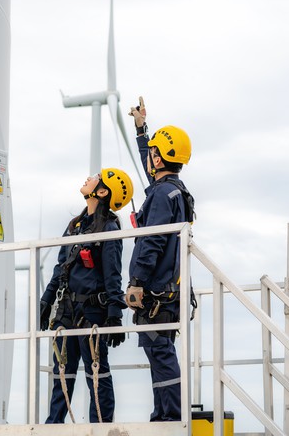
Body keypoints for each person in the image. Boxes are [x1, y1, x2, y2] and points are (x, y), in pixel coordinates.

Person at [39, 168, 133, 423]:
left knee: (97, 376)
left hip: (92, 313)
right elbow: (61, 268)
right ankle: (53, 427)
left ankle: (100, 427)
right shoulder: (75, 227)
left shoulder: (110, 228)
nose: (88, 178)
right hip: (66, 311)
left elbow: (113, 274)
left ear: (102, 192)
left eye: (94, 177)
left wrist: (115, 315)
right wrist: (46, 302)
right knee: (62, 376)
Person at [125, 96, 195, 422]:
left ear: (160, 157)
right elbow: (151, 164)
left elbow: (152, 241)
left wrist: (137, 281)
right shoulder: (174, 191)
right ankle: (163, 416)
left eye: (152, 150)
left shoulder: (159, 195)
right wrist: (142, 131)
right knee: (160, 352)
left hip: (155, 291)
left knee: (160, 353)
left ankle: (171, 418)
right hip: (170, 292)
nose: (148, 156)